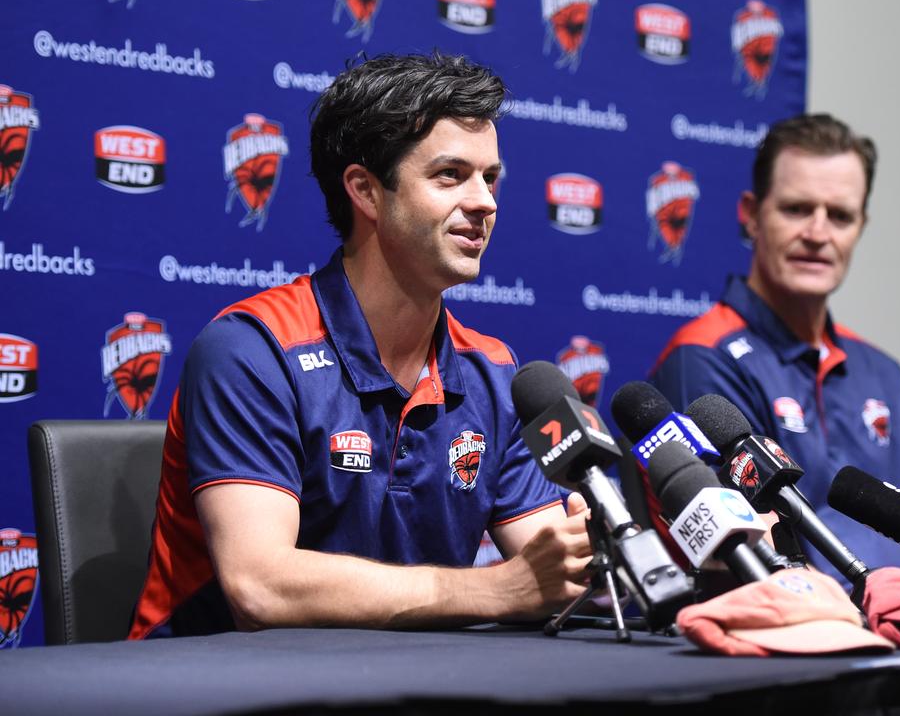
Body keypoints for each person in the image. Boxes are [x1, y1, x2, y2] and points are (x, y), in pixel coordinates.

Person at [129, 53, 590, 639]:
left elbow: (551, 568)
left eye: (490, 177)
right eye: (450, 175)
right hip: (210, 687)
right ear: (366, 192)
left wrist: (696, 548)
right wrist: (493, 588)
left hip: (401, 683)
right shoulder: (252, 350)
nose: (485, 202)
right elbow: (260, 587)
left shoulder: (495, 372)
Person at [649, 113, 900, 583]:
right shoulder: (701, 355)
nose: (818, 234)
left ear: (860, 226)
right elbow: (744, 560)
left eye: (840, 215)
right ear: (751, 214)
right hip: (806, 635)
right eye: (797, 209)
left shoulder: (883, 371)